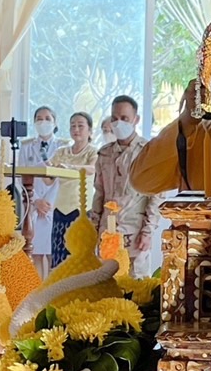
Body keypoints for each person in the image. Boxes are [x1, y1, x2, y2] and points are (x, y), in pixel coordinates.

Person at [89, 95, 159, 276]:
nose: (118, 123)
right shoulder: (104, 153)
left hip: (135, 232)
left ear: (136, 119)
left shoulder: (148, 152)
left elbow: (156, 195)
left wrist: (147, 232)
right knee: (107, 283)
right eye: (115, 118)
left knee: (137, 285)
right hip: (108, 232)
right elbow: (99, 193)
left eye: (124, 118)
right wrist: (93, 228)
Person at [47, 112, 98, 266]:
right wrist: (46, 167)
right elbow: (48, 180)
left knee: (80, 254)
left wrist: (69, 167)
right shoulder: (61, 152)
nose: (76, 129)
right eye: (72, 126)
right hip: (60, 207)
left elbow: (92, 169)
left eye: (80, 126)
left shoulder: (93, 151)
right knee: (58, 256)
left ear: (90, 130)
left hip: (82, 208)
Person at [19, 106, 62, 277]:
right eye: (39, 118)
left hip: (54, 205)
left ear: (55, 122)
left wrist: (49, 202)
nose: (43, 122)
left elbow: (61, 178)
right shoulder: (26, 146)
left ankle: (51, 291)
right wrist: (36, 200)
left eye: (47, 118)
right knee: (35, 252)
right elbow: (20, 176)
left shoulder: (62, 147)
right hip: (33, 205)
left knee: (53, 255)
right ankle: (37, 291)